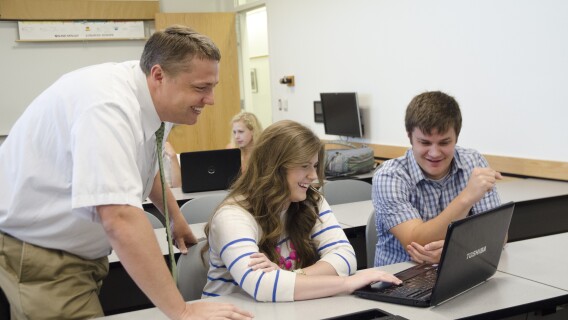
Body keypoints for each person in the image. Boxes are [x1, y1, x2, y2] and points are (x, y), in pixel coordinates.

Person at [0, 25, 252, 320]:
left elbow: (143, 166)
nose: (210, 100)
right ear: (159, 75)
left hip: (83, 253)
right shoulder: (108, 109)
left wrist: (175, 218)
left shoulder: (154, 96)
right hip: (44, 253)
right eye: (200, 88)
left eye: (212, 86)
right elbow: (119, 217)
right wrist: (181, 311)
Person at [202, 120, 401, 302]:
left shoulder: (310, 200)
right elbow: (262, 286)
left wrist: (290, 277)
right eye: (304, 166)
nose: (313, 176)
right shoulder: (232, 216)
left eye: (314, 165)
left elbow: (345, 257)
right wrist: (347, 284)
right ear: (274, 168)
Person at [372, 91, 502, 267]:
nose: (434, 153)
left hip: (459, 270)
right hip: (400, 281)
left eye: (444, 143)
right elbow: (416, 242)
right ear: (410, 137)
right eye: (424, 143)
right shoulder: (389, 176)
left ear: (457, 137)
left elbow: (498, 236)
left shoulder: (473, 162)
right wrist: (467, 198)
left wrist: (455, 251)